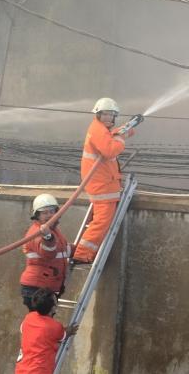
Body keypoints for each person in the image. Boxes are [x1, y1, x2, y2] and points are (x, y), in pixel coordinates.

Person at [71, 98, 134, 264]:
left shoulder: (102, 130)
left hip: (104, 182)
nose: (109, 117)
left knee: (102, 220)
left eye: (112, 115)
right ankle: (82, 254)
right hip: (101, 185)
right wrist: (122, 138)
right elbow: (109, 150)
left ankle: (85, 251)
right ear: (98, 114)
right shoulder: (98, 130)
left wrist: (125, 129)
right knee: (102, 221)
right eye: (105, 114)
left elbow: (109, 138)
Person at [20, 194, 71, 308]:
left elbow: (63, 250)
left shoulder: (53, 231)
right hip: (37, 289)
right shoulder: (37, 232)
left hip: (45, 287)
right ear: (37, 216)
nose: (49, 215)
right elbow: (48, 253)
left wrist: (84, 251)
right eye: (45, 213)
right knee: (40, 323)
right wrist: (47, 237)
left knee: (43, 322)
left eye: (52, 211)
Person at [15, 288, 77, 373]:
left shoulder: (28, 318)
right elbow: (64, 335)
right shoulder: (55, 327)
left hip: (21, 370)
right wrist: (71, 329)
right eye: (56, 302)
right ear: (52, 308)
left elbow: (23, 330)